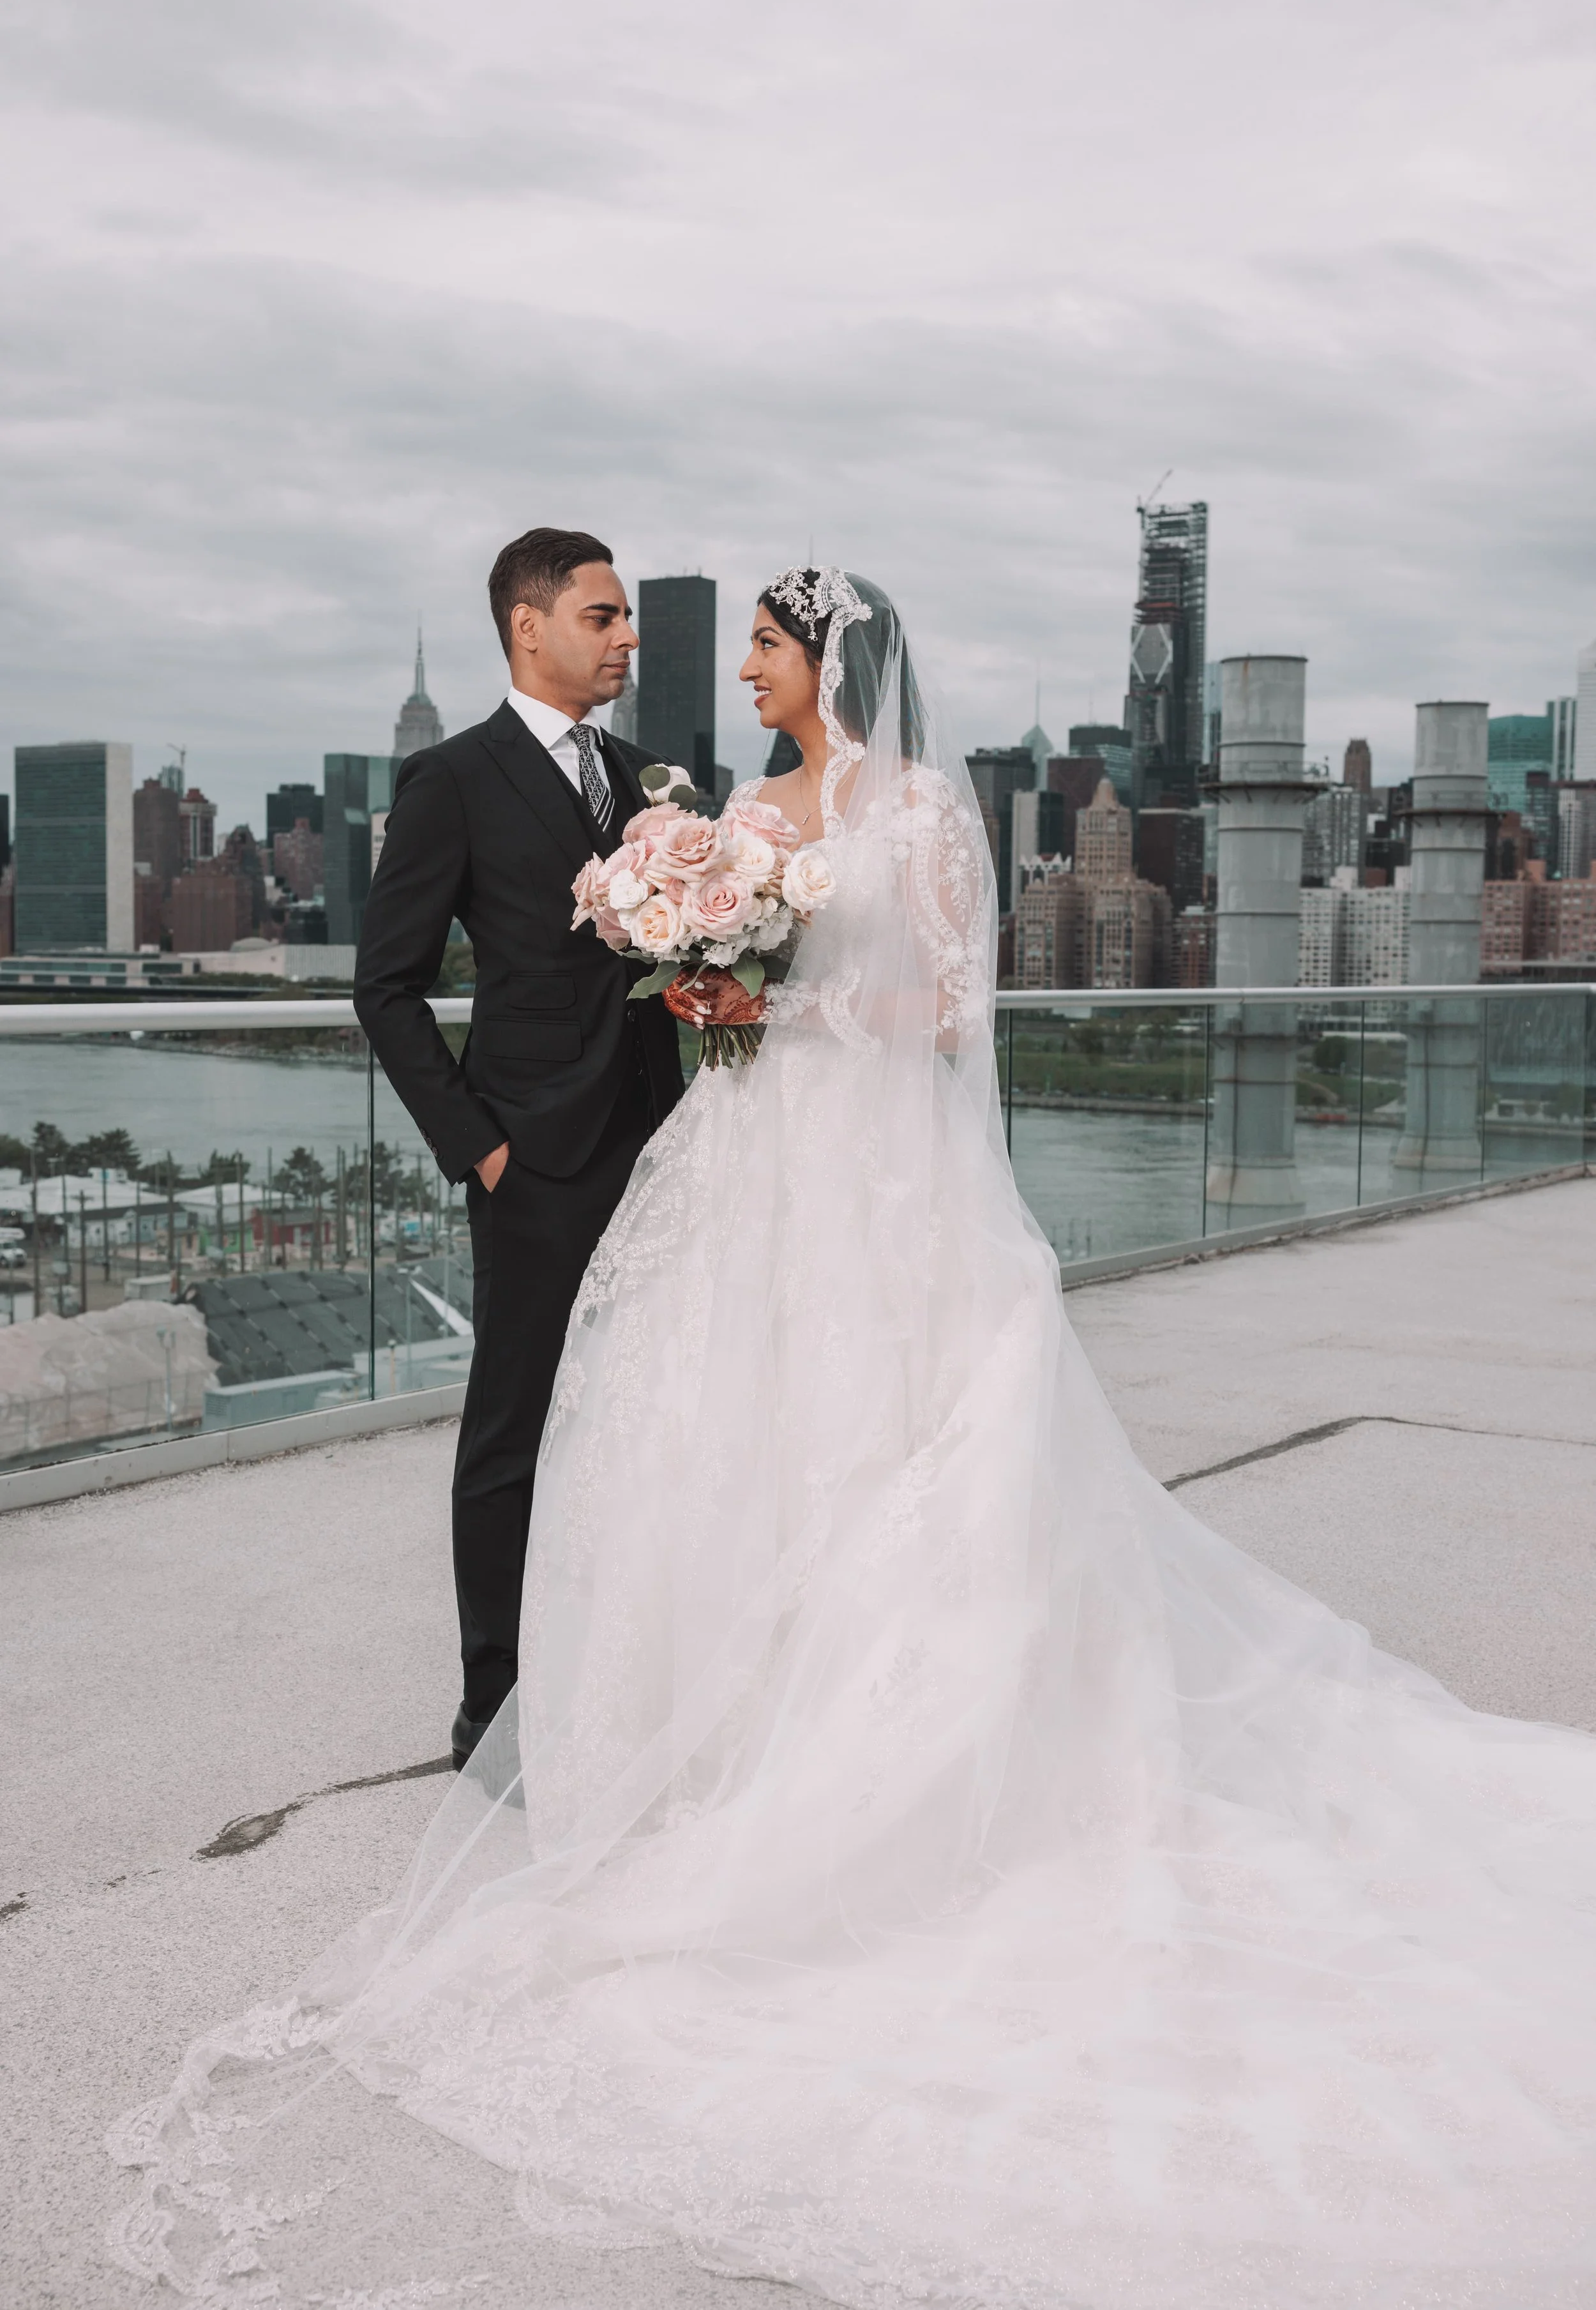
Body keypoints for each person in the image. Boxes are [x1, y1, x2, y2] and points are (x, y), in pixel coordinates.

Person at [114, 571, 1596, 2309]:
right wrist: (702, 971)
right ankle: (701, 1720)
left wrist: (777, 988)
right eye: (733, 637)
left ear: (830, 662)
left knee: (887, 1432)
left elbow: (953, 1011)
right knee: (718, 1430)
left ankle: (880, 1753)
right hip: (743, 1156)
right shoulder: (730, 808)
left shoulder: (921, 814)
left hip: (870, 1157)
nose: (732, 662)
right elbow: (650, 987)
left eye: (760, 641)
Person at [352, 527, 682, 1770]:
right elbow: (383, 987)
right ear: (527, 624)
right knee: (513, 1432)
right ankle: (492, 1706)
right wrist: (478, 1149)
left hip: (663, 1154)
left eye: (629, 617)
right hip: (531, 1162)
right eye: (603, 616)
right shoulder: (451, 777)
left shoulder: (654, 781)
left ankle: (622, 1668)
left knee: (649, 1417)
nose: (625, 637)